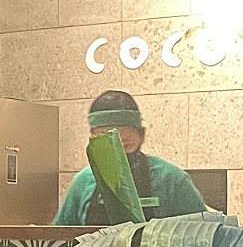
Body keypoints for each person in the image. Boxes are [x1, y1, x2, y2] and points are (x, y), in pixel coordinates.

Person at [55, 90, 206, 223]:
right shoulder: (84, 181)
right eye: (107, 146)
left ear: (142, 136)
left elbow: (202, 233)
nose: (118, 156)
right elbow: (58, 236)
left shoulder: (171, 180)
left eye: (126, 145)